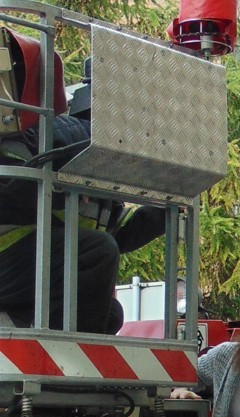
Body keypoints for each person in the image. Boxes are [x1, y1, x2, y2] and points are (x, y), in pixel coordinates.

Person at [0, 29, 164, 333]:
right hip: (8, 262)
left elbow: (115, 238)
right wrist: (62, 190)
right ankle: (71, 361)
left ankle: (65, 360)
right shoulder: (61, 135)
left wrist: (162, 213)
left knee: (110, 313)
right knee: (96, 250)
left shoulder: (105, 171)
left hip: (28, 270)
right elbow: (10, 181)